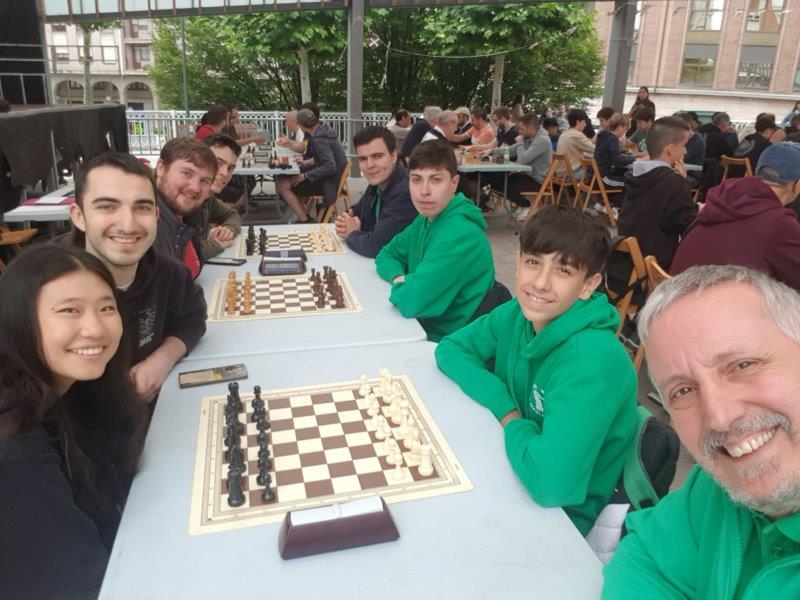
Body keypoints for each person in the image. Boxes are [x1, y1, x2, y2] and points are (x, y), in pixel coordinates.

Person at [435, 204, 637, 536]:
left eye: (563, 271)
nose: (540, 283)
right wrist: (505, 406)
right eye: (533, 262)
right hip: (516, 466)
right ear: (517, 262)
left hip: (563, 521)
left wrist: (510, 420)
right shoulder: (518, 313)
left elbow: (550, 485)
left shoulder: (587, 365)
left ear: (588, 285)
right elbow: (451, 349)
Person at [602, 264, 800, 598]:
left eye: (743, 365)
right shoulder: (716, 488)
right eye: (683, 391)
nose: (720, 418)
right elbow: (643, 558)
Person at [0, 245, 148, 600]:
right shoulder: (18, 453)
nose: (95, 328)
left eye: (106, 308)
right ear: (19, 318)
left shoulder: (78, 390)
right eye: (70, 310)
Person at [58, 152, 207, 403]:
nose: (128, 225)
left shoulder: (171, 273)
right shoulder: (38, 284)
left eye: (142, 208)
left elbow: (191, 322)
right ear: (79, 217)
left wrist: (162, 359)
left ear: (156, 216)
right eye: (107, 207)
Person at [375, 140, 494, 342]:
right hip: (420, 326)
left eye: (436, 180)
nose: (424, 191)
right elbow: (386, 254)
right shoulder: (425, 219)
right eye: (416, 180)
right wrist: (400, 278)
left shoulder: (461, 234)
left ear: (453, 183)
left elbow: (411, 302)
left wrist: (408, 287)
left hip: (448, 342)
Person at [671, 142, 800, 291]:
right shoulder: (779, 223)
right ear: (797, 184)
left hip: (675, 294)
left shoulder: (721, 199)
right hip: (715, 301)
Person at [617, 116, 696, 270]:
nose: (686, 151)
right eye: (684, 145)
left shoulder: (635, 174)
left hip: (626, 263)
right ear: (670, 149)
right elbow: (688, 227)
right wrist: (684, 185)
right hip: (655, 268)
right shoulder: (674, 182)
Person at [334, 126, 416, 258]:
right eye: (363, 159)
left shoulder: (406, 192)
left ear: (393, 156)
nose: (370, 165)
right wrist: (346, 221)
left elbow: (374, 247)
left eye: (377, 156)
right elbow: (355, 212)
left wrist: (352, 233)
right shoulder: (378, 183)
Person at [154, 137, 218, 277]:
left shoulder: (188, 215)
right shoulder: (148, 224)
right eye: (186, 173)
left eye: (204, 181)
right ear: (161, 168)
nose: (195, 188)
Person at [274, 108, 347, 223]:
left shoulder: (319, 139)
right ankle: (303, 215)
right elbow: (323, 159)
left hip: (329, 183)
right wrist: (306, 162)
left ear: (301, 126)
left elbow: (330, 166)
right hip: (331, 178)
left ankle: (305, 220)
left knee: (282, 184)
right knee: (287, 179)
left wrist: (305, 176)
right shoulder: (323, 131)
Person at [487, 112, 553, 220]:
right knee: (496, 182)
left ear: (530, 128)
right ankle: (523, 205)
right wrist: (490, 151)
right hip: (525, 175)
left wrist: (521, 143)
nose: (519, 132)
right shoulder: (530, 137)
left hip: (536, 180)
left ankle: (528, 206)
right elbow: (511, 150)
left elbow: (523, 159)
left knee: (505, 187)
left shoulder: (542, 140)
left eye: (521, 129)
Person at [199, 134, 243, 259]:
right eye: (218, 163)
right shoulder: (185, 201)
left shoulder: (208, 197)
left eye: (230, 168)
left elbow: (232, 214)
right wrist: (216, 244)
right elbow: (183, 256)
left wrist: (227, 230)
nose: (225, 173)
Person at [594, 112, 635, 188]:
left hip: (597, 177)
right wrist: (634, 158)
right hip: (605, 179)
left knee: (627, 176)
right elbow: (617, 161)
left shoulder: (603, 136)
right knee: (633, 184)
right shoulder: (613, 139)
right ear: (619, 127)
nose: (625, 132)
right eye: (625, 129)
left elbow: (614, 156)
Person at [556, 108, 596, 179]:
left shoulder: (565, 133)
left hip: (560, 174)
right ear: (577, 122)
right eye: (584, 121)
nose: (585, 124)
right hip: (570, 175)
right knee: (597, 172)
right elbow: (595, 149)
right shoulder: (577, 135)